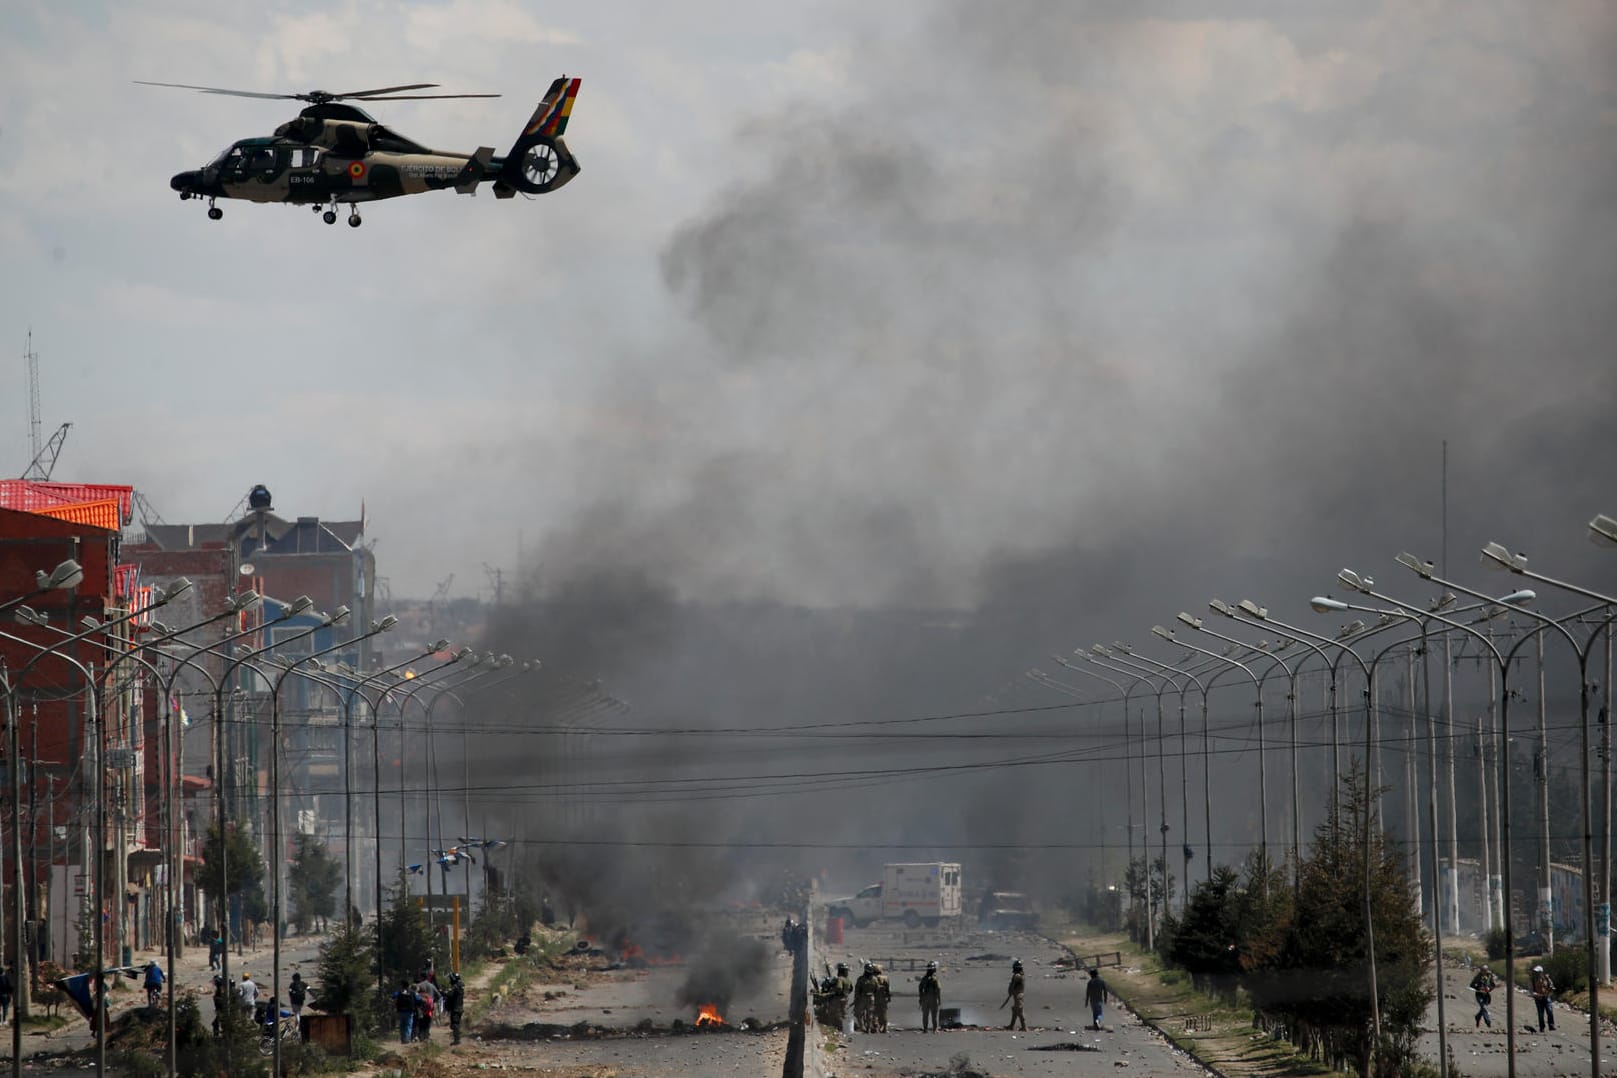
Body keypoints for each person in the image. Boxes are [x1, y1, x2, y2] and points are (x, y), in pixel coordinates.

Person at [853, 962, 878, 1034]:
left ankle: (863, 1027)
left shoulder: (861, 979)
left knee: (859, 1013)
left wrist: (856, 998)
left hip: (863, 998)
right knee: (868, 1014)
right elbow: (877, 989)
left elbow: (857, 990)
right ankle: (867, 1028)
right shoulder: (874, 979)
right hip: (870, 998)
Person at [1002, 959, 1027, 1031]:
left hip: (1018, 995)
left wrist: (1010, 992)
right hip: (1017, 995)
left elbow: (1013, 985)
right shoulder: (1019, 975)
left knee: (1019, 1011)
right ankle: (1011, 1026)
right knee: (1015, 1011)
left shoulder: (1018, 976)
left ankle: (1024, 1027)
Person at [415, 974, 441, 1041]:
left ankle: (420, 1036)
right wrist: (433, 1001)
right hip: (430, 1007)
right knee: (428, 1021)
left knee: (421, 1021)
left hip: (421, 1007)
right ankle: (426, 1036)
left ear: (421, 977)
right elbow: (439, 995)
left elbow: (415, 995)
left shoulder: (419, 985)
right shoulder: (431, 985)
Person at [1530, 964, 1556, 1032]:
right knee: (1540, 1014)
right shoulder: (1533, 980)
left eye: (1538, 972)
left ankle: (1551, 1025)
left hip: (1546, 997)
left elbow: (1551, 986)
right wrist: (1537, 995)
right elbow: (1531, 991)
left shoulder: (1546, 979)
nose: (1536, 974)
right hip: (1538, 999)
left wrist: (1550, 990)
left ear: (1541, 972)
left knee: (1550, 1011)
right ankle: (1542, 1027)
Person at [918, 960, 941, 1032]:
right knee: (934, 1015)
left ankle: (925, 1029)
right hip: (933, 998)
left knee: (925, 1015)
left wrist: (921, 998)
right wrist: (939, 999)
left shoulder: (924, 978)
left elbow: (920, 988)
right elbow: (938, 988)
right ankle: (935, 1029)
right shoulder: (935, 979)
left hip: (925, 998)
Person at [393, 980, 417, 1044]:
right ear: (408, 985)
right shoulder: (412, 992)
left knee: (402, 1025)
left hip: (400, 1011)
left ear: (402, 985)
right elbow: (418, 999)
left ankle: (402, 1039)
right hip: (409, 1011)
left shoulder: (399, 992)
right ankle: (407, 1039)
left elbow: (393, 996)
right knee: (408, 1025)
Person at [445, 971, 466, 1045]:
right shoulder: (460, 986)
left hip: (455, 1008)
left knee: (455, 1024)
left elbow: (449, 995)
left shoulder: (455, 987)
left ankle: (457, 1040)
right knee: (456, 1024)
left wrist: (444, 993)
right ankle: (457, 1039)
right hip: (459, 1008)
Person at [871, 963, 891, 1032]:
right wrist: (889, 997)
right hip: (883, 997)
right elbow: (888, 989)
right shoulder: (885, 978)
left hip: (874, 997)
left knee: (874, 1013)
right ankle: (884, 1027)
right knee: (883, 1012)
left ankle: (875, 1026)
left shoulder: (872, 978)